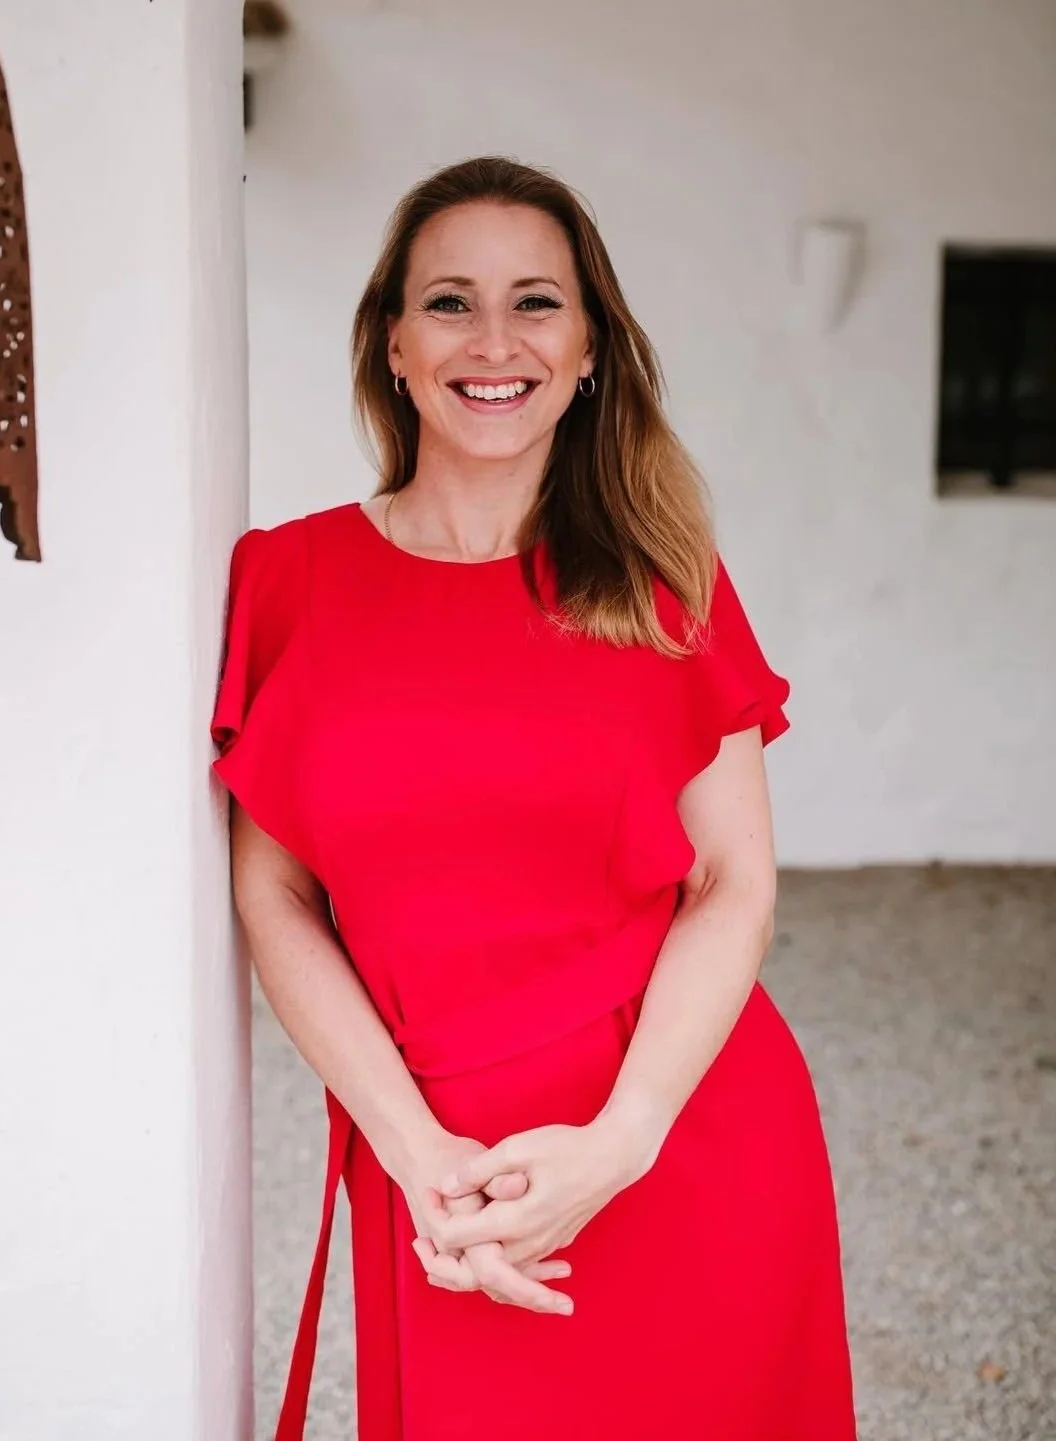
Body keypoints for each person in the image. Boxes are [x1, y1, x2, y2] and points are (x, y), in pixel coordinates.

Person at [211, 155, 856, 1441]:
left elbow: (736, 884)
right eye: (448, 302)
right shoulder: (287, 581)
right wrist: (417, 1158)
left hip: (682, 1140)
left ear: (592, 350)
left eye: (537, 303)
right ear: (392, 344)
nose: (492, 341)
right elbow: (272, 894)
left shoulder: (667, 581)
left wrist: (622, 1140)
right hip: (453, 1183)